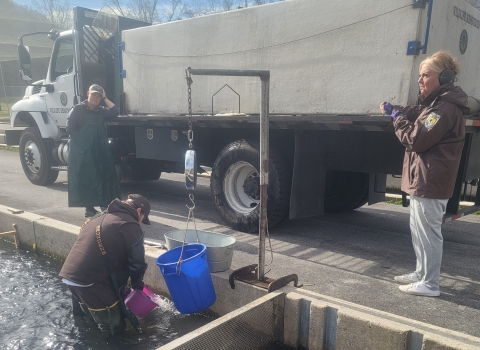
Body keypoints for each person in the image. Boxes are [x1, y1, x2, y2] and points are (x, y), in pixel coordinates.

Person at [380, 51, 470, 297]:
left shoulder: (443, 108)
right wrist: (396, 110)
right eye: (420, 75)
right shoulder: (435, 104)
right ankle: (421, 273)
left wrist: (397, 118)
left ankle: (430, 284)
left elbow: (416, 138)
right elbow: (417, 112)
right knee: (418, 229)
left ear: (445, 77)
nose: (420, 80)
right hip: (425, 178)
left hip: (432, 180)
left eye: (426, 75)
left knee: (428, 231)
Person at [59, 194, 151, 334]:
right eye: (143, 219)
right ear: (139, 211)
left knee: (92, 325)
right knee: (114, 327)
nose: (140, 222)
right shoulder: (130, 225)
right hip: (91, 283)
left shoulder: (99, 216)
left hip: (70, 277)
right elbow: (136, 264)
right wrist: (137, 287)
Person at [66, 84, 121, 218]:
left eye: (98, 96)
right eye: (93, 94)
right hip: (82, 150)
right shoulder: (78, 109)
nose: (95, 98)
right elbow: (69, 128)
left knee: (101, 174)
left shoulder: (101, 111)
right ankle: (89, 208)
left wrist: (105, 97)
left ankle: (104, 204)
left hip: (98, 149)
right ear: (87, 94)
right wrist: (82, 144)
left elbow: (115, 111)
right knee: (86, 177)